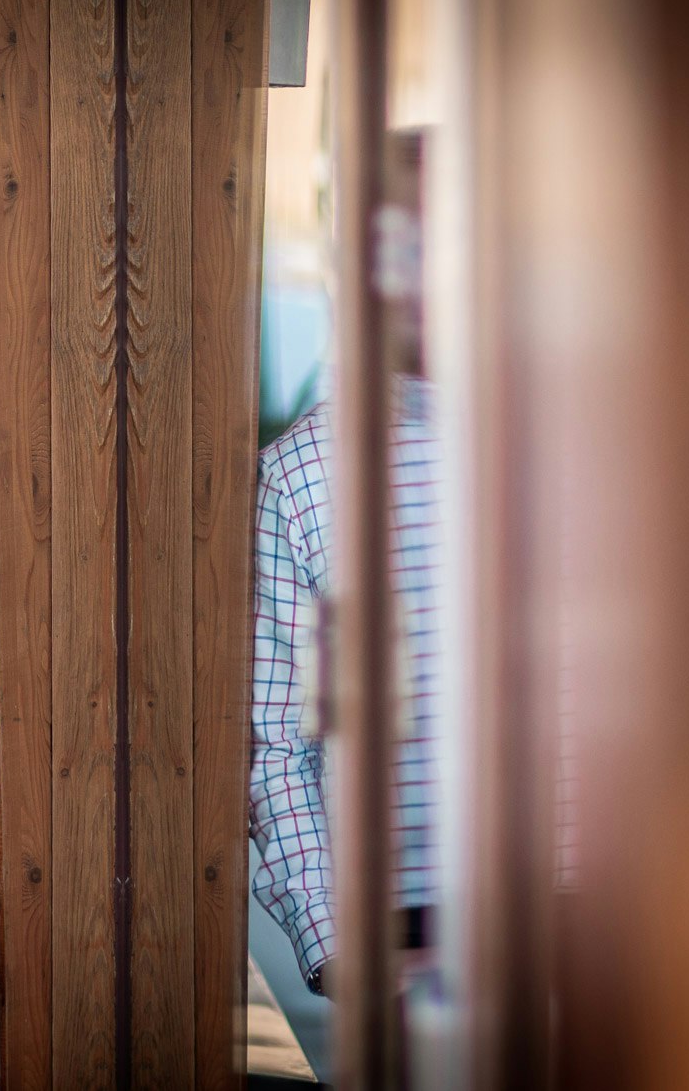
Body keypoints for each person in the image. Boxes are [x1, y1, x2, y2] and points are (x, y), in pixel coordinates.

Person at [249, 378, 442, 995]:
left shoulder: (639, 433)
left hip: (632, 919)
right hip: (411, 925)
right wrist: (332, 942)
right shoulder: (308, 471)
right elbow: (277, 743)